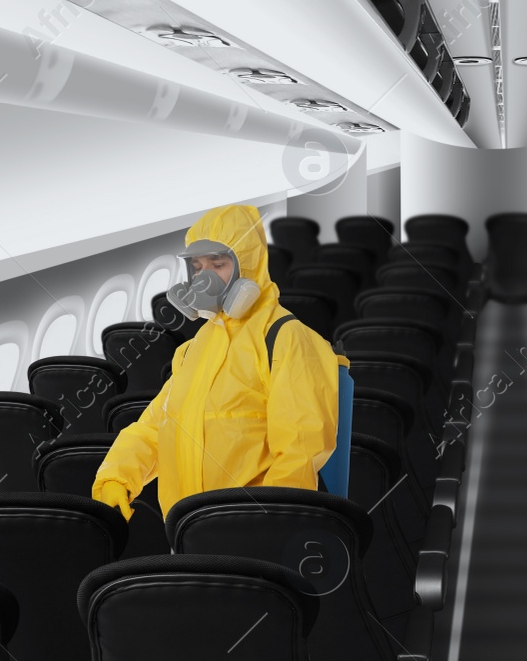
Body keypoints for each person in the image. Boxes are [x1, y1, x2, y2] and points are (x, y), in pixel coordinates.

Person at [93, 204, 341, 519]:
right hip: (188, 531)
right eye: (197, 267)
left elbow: (300, 450)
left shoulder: (285, 338)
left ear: (248, 264)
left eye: (218, 263)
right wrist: (117, 477)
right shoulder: (192, 350)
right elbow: (154, 429)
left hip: (251, 534)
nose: (203, 278)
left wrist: (271, 525)